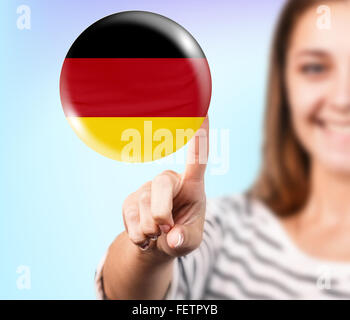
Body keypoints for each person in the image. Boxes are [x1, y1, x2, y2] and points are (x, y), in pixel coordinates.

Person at [95, 0, 350, 299]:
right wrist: (151, 252)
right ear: (285, 87)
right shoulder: (225, 227)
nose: (343, 98)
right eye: (315, 67)